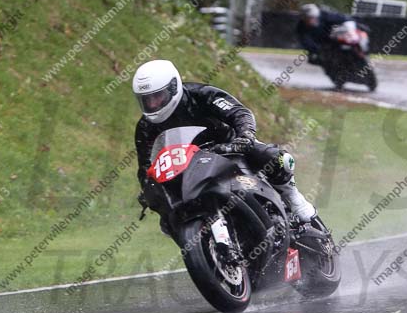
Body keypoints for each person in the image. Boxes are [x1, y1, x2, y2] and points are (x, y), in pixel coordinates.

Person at [133, 59, 316, 228]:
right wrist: (148, 188)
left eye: (157, 96)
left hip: (227, 147)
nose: (153, 104)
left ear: (173, 87)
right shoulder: (145, 127)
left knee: (278, 159)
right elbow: (146, 166)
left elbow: (239, 113)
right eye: (146, 100)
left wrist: (245, 136)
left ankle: (293, 197)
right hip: (184, 169)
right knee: (167, 221)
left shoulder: (201, 94)